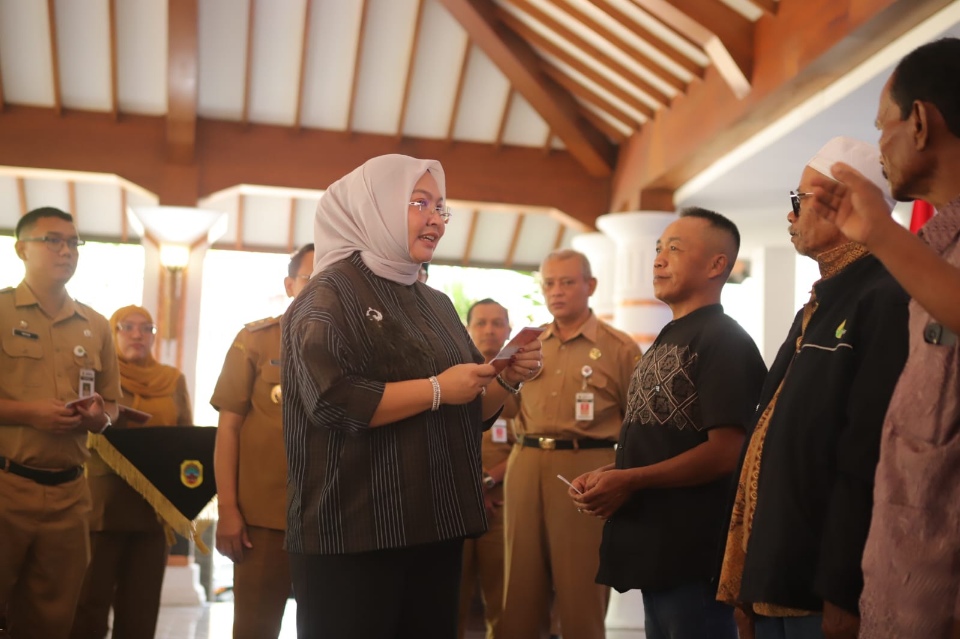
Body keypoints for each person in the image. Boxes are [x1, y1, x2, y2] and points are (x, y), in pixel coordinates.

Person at [281, 154, 542, 639]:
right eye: (419, 203)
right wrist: (437, 389)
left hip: (433, 526)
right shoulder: (327, 294)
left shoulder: (435, 303)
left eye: (441, 207)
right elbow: (333, 400)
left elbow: (469, 408)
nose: (436, 219)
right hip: (353, 532)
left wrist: (506, 379)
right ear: (374, 207)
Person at [715, 138, 909, 639]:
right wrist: (745, 578)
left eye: (798, 199)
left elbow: (869, 454)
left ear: (841, 202)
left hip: (823, 585)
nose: (790, 214)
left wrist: (843, 589)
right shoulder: (820, 303)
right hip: (777, 573)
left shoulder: (887, 295)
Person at [809, 38, 960, 639]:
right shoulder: (931, 249)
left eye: (883, 126)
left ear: (920, 121)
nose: (880, 148)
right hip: (902, 578)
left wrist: (880, 232)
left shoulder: (904, 258)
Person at [571, 208, 766, 639]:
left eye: (674, 249)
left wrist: (631, 480)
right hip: (655, 546)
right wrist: (615, 473)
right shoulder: (669, 336)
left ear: (716, 264)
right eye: (659, 248)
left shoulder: (725, 341)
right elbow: (667, 440)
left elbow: (727, 452)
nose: (658, 259)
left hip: (691, 549)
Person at [498, 249, 641, 639]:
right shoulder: (526, 344)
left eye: (567, 282)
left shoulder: (619, 347)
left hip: (587, 467)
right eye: (549, 283)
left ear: (590, 286)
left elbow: (638, 425)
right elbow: (504, 407)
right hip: (526, 462)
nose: (556, 291)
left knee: (581, 591)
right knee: (519, 588)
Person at [0, 207, 120, 639]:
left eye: (73, 242)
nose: (66, 250)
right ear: (22, 249)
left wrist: (99, 418)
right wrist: (29, 413)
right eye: (53, 240)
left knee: (51, 619)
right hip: (6, 486)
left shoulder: (96, 325)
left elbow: (113, 405)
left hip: (70, 494)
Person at [69, 305, 193, 639]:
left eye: (146, 328)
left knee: (141, 609)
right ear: (112, 333)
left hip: (153, 508)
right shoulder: (96, 376)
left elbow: (185, 437)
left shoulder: (172, 380)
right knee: (88, 606)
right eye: (127, 327)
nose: (137, 334)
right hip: (101, 507)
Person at [211, 243, 314, 639]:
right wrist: (228, 508)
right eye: (310, 278)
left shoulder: (356, 346)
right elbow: (228, 429)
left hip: (330, 520)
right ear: (290, 285)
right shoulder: (255, 340)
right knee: (255, 628)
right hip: (264, 519)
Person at [458, 298, 519, 639]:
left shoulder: (520, 378)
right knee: (449, 598)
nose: (489, 330)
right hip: (455, 504)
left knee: (504, 602)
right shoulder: (453, 374)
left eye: (497, 323)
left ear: (509, 331)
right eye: (480, 323)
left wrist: (489, 481)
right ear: (467, 329)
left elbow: (529, 440)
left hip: (503, 504)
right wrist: (472, 487)